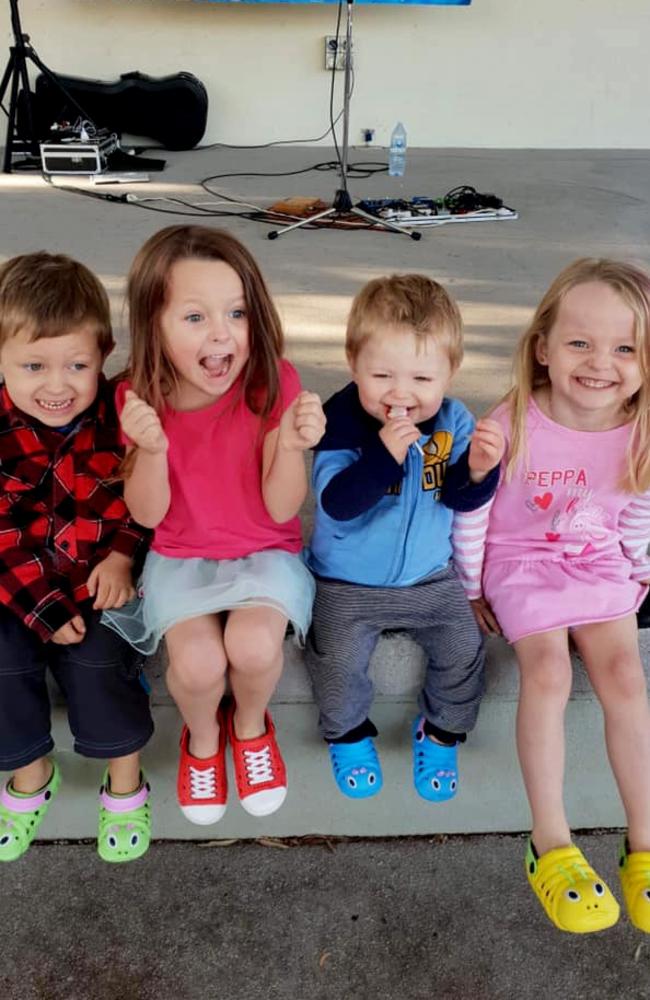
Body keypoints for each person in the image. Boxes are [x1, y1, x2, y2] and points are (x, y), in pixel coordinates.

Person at [102, 225, 325, 825]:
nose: (222, 334)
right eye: (195, 317)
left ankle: (250, 727)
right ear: (155, 323)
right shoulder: (138, 395)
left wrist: (293, 447)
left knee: (253, 646)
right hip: (182, 555)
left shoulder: (274, 380)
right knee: (197, 664)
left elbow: (282, 509)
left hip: (265, 552)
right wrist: (150, 449)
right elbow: (148, 515)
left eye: (237, 313)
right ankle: (203, 739)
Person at [463, 259, 650, 934]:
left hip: (597, 559)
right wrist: (469, 586)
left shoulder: (639, 426)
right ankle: (551, 843)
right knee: (545, 674)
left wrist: (637, 570)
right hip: (519, 563)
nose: (602, 363)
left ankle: (645, 848)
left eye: (626, 348)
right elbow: (474, 510)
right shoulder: (513, 419)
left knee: (626, 676)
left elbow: (635, 508)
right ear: (542, 348)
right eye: (580, 343)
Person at [304, 274, 505, 804]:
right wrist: (382, 456)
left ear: (449, 373)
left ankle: (440, 732)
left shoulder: (452, 421)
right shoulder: (340, 424)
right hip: (348, 581)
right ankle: (346, 733)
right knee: (336, 659)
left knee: (465, 648)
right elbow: (336, 503)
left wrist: (480, 472)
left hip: (428, 577)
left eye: (421, 377)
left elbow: (458, 498)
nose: (401, 393)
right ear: (353, 365)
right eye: (382, 375)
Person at [0, 252, 153, 864]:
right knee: (2, 661)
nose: (57, 385)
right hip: (18, 584)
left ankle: (125, 783)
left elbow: (148, 502)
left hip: (100, 582)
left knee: (95, 660)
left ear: (105, 354)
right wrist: (39, 604)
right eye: (32, 365)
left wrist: (121, 556)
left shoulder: (121, 417)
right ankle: (32, 773)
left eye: (77, 364)